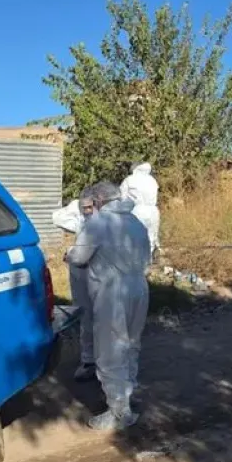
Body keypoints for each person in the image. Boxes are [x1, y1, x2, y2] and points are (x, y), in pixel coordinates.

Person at [65, 181, 152, 431]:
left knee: (111, 349)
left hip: (111, 292)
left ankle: (119, 412)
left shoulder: (98, 223)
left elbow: (80, 256)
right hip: (139, 287)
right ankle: (127, 392)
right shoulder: (135, 222)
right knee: (130, 344)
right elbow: (148, 256)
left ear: (99, 200)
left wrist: (69, 254)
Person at [51, 192, 98, 381]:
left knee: (98, 318)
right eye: (84, 207)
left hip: (96, 274)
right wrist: (77, 206)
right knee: (86, 315)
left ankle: (97, 362)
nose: (87, 211)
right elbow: (58, 218)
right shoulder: (83, 221)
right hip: (83, 273)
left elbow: (80, 255)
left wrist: (70, 255)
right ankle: (90, 360)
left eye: (91, 206)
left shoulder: (103, 224)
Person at [120, 162, 161, 257]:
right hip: (153, 210)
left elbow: (122, 197)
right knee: (151, 236)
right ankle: (148, 259)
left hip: (138, 210)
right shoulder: (152, 180)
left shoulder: (129, 180)